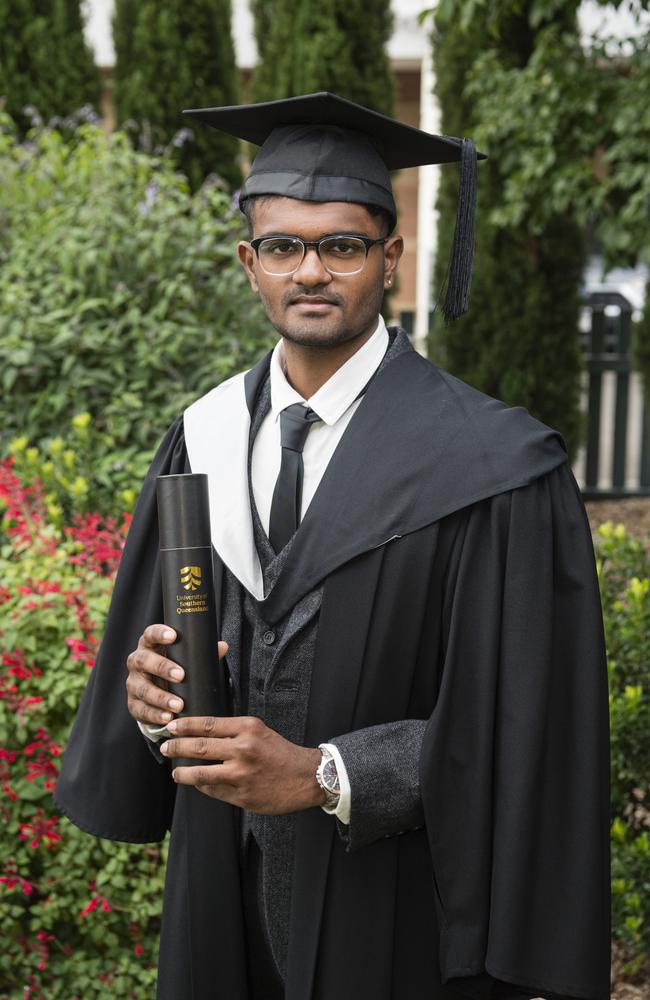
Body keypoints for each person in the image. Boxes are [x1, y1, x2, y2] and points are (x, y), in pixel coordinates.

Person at [54, 93, 611, 1000]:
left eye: (341, 245)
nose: (310, 271)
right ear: (249, 263)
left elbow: (526, 729)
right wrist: (153, 702)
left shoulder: (492, 467)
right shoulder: (205, 438)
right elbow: (178, 664)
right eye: (283, 246)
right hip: (221, 907)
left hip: (396, 917)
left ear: (389, 258)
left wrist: (324, 775)